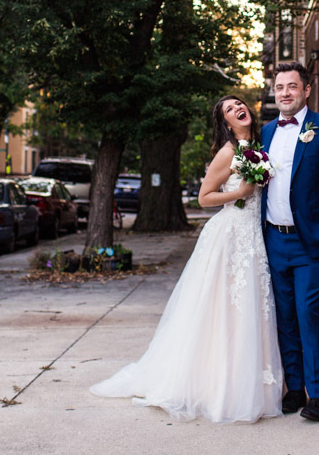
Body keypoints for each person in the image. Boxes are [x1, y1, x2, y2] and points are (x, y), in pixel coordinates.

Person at [89, 95, 282, 424]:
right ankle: (220, 387)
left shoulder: (257, 150)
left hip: (252, 237)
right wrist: (238, 193)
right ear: (225, 123)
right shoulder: (228, 152)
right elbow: (204, 197)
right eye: (229, 109)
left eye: (239, 103)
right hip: (230, 236)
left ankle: (253, 383)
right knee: (224, 310)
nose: (238, 108)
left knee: (252, 308)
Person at [261, 61, 319, 422]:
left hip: (312, 243)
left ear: (306, 90)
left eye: (292, 86)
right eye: (280, 87)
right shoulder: (266, 132)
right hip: (274, 239)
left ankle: (318, 394)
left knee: (308, 313)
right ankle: (295, 388)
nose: (285, 93)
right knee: (285, 317)